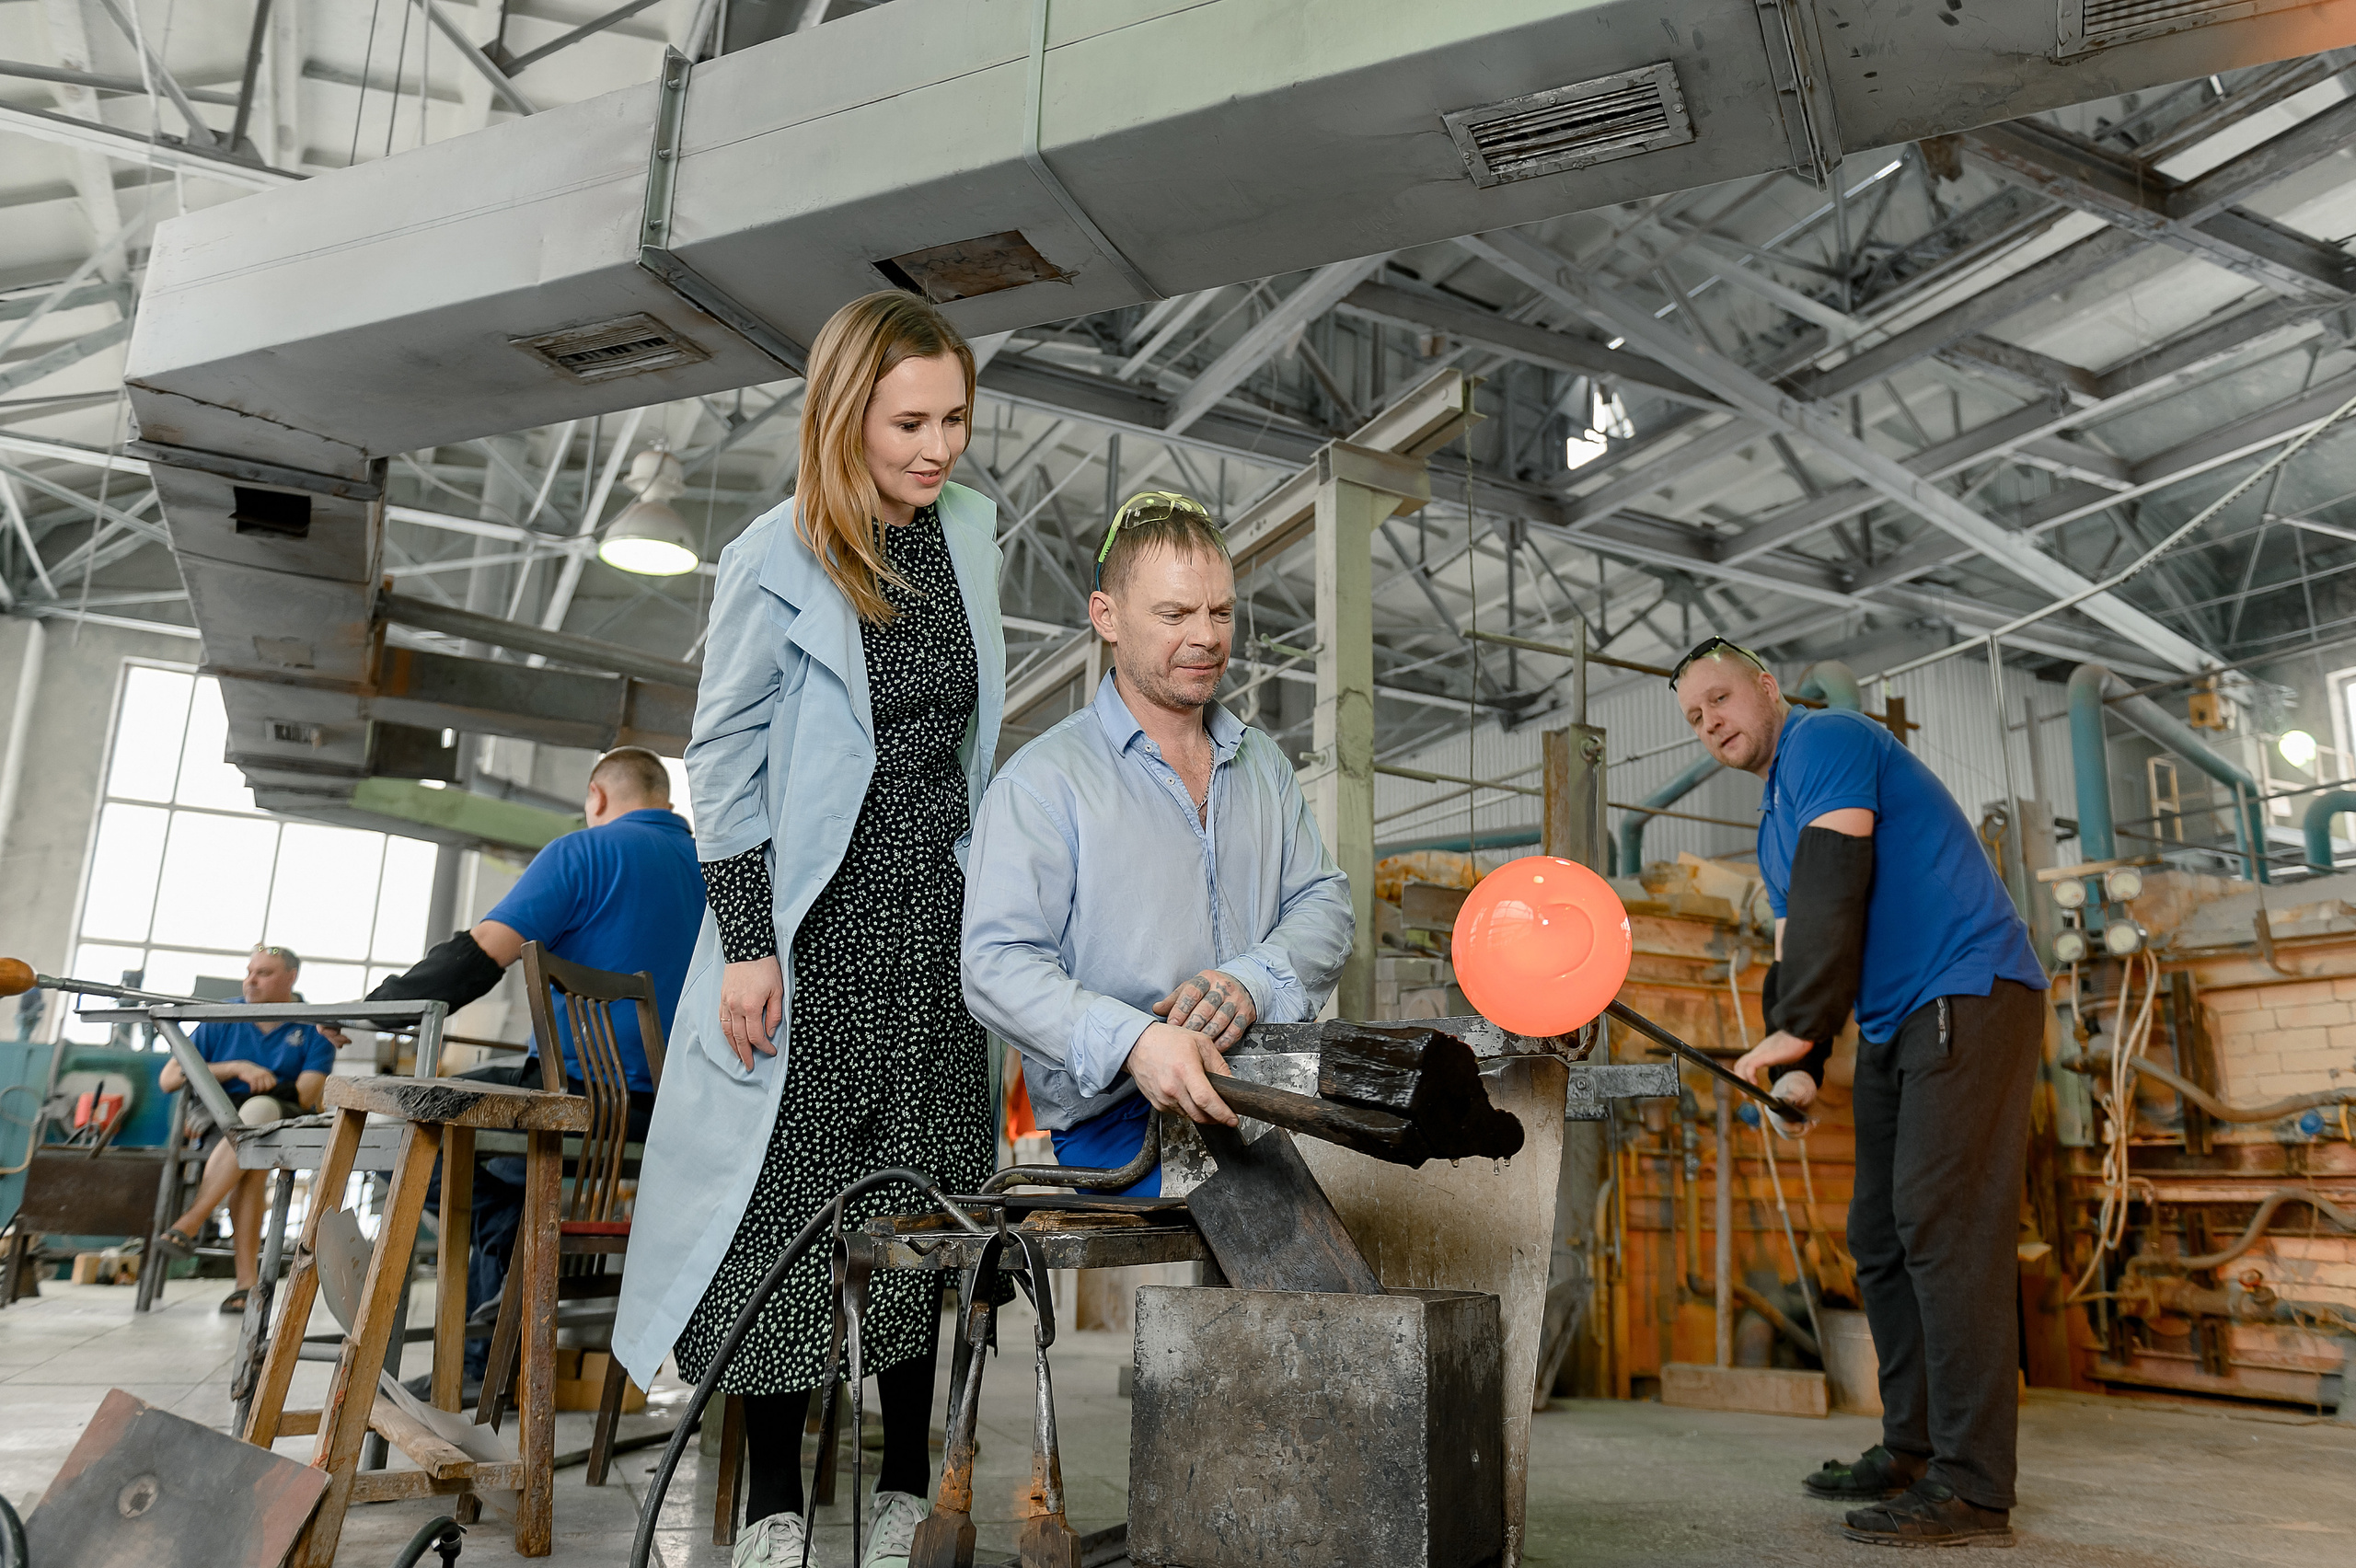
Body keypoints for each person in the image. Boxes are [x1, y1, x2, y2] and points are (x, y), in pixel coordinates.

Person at [612, 291, 1004, 1568]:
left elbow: (968, 745)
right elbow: (719, 759)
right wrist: (745, 940)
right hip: (813, 928)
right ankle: (772, 1505)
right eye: (909, 422)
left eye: (953, 417)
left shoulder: (972, 540)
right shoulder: (775, 555)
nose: (937, 446)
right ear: (846, 417)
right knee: (780, 1222)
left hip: (937, 923)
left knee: (920, 1212)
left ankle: (900, 1495)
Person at [1670, 637, 2048, 1549]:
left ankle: (1973, 1485)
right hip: (1894, 1019)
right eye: (1693, 717)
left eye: (1720, 698)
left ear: (1766, 687)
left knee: (1942, 1225)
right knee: (1879, 1236)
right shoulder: (1770, 823)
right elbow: (1806, 940)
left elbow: (1839, 883)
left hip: (1965, 988)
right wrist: (1803, 1059)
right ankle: (1912, 1449)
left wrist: (1798, 1026)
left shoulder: (1827, 740)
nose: (1710, 721)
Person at [962, 491, 1353, 1191]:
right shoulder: (1042, 784)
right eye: (1174, 614)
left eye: (1221, 612)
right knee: (1301, 1223)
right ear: (1106, 616)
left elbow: (1323, 901)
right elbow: (995, 965)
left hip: (1268, 1081)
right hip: (1123, 1122)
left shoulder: (1261, 763)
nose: (1206, 636)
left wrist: (1253, 980)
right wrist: (1136, 1040)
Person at [368, 744, 702, 1384]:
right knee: (492, 1152)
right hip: (673, 1119)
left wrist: (377, 1009)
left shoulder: (584, 851)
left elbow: (479, 958)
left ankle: (493, 1342)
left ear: (597, 797)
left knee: (411, 1134)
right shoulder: (719, 873)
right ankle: (509, 1312)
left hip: (574, 1102)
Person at [154, 945, 337, 1314]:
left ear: (291, 977)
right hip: (218, 1116)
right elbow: (169, 1078)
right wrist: (236, 1067)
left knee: (258, 1112)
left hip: (281, 1115)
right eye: (249, 971)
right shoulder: (223, 1016)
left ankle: (194, 1218)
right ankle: (244, 1284)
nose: (251, 980)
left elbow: (304, 1095)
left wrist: (259, 1085)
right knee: (251, 1166)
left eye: (264, 973)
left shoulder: (315, 1026)